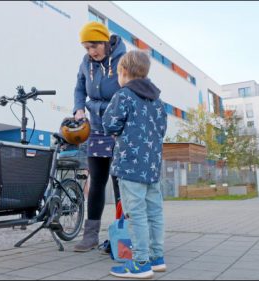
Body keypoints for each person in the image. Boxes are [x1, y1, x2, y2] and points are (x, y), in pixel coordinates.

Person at [102, 50, 167, 279]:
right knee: (155, 211)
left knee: (135, 213)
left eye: (118, 73)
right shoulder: (158, 101)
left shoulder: (124, 95)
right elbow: (161, 131)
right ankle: (157, 258)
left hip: (130, 165)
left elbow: (109, 124)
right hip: (152, 166)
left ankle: (140, 263)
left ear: (124, 72)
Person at [72, 21, 126, 252]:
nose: (91, 52)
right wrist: (79, 108)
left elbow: (129, 90)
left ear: (104, 42)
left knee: (119, 183)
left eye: (94, 46)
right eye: (86, 48)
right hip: (95, 128)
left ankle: (123, 236)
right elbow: (79, 88)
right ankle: (90, 236)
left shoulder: (123, 60)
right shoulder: (86, 63)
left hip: (119, 129)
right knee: (97, 181)